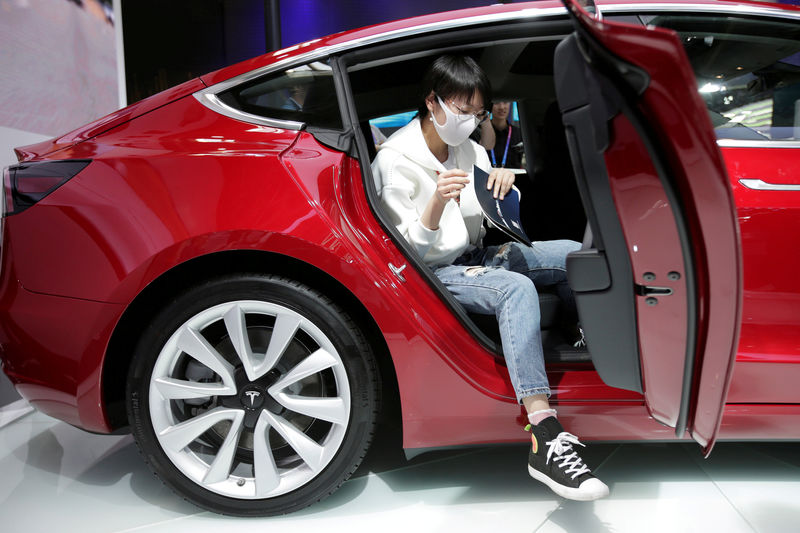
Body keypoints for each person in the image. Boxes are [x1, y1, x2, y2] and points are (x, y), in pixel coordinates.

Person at [371, 54, 609, 501]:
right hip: (431, 272)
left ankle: (585, 339)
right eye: (461, 111)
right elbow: (408, 255)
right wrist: (436, 203)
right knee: (516, 288)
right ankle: (543, 431)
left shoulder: (471, 149)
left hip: (478, 254)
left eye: (476, 113)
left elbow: (490, 218)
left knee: (576, 254)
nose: (469, 122)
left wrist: (504, 185)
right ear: (432, 102)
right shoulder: (395, 163)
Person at [486, 100, 524, 169]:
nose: (502, 107)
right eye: (496, 103)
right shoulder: (482, 133)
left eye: (505, 102)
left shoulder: (519, 133)